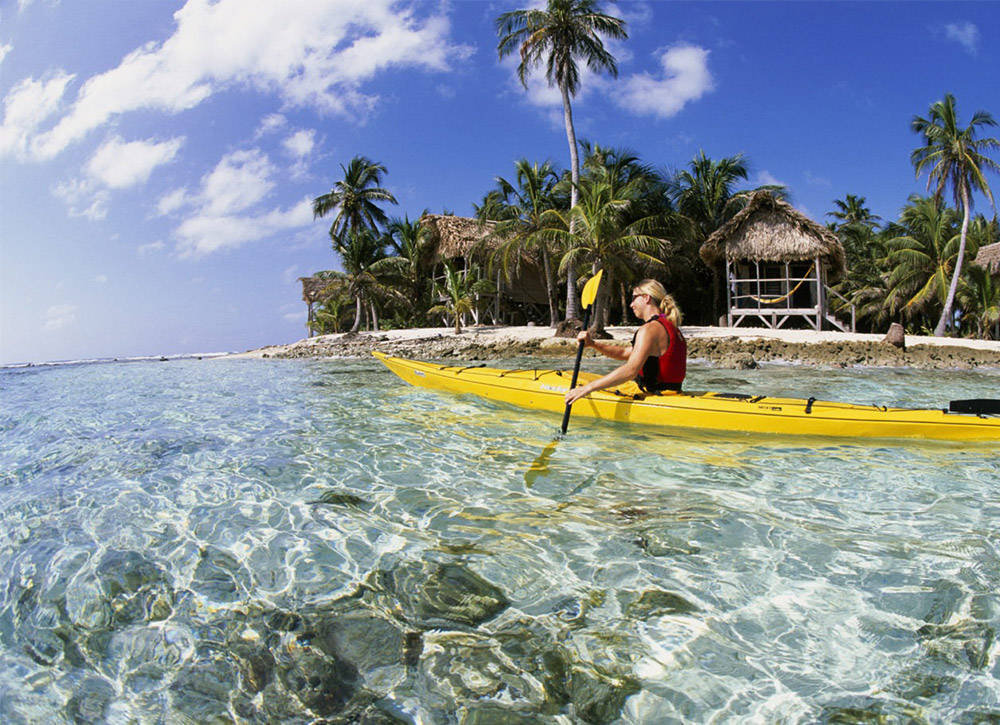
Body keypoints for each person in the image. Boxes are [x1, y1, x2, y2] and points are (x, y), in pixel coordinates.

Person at [564, 279, 686, 405]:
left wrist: (587, 388)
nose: (631, 304)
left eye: (634, 298)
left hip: (656, 396)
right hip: (672, 394)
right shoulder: (672, 328)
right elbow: (625, 353)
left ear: (646, 298)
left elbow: (631, 370)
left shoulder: (649, 330)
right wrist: (593, 344)